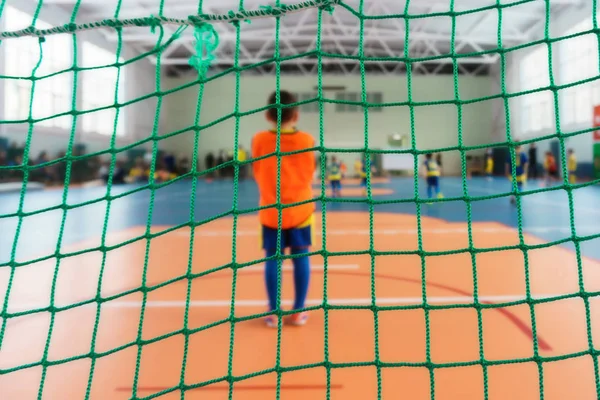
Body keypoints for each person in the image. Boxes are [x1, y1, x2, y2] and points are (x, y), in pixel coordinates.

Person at [252, 90, 315, 328]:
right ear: (296, 115)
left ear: (268, 116)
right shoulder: (306, 140)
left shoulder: (259, 139)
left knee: (273, 260)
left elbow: (257, 169)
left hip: (271, 211)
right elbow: (309, 172)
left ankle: (273, 312)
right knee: (301, 259)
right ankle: (298, 311)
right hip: (300, 211)